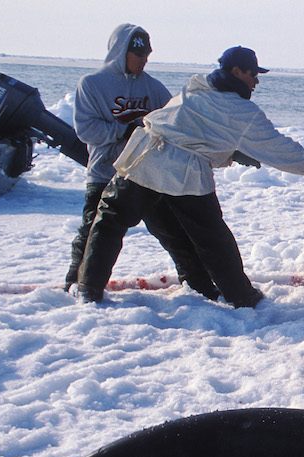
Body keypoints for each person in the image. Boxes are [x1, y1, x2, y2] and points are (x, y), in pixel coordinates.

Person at [77, 46, 304, 307]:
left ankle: (89, 289)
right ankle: (240, 296)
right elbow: (282, 151)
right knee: (212, 238)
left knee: (110, 221)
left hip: (143, 160)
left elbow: (189, 129)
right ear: (237, 71)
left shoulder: (196, 88)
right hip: (184, 173)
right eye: (253, 74)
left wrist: (231, 154)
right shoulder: (242, 112)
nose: (256, 81)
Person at [65, 23, 218, 301]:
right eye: (139, 55)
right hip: (105, 173)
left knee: (174, 233)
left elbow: (173, 124)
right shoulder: (91, 84)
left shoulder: (154, 88)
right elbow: (87, 130)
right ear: (121, 51)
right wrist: (126, 130)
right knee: (93, 232)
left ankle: (198, 285)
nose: (144, 60)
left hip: (147, 174)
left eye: (147, 55)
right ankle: (77, 285)